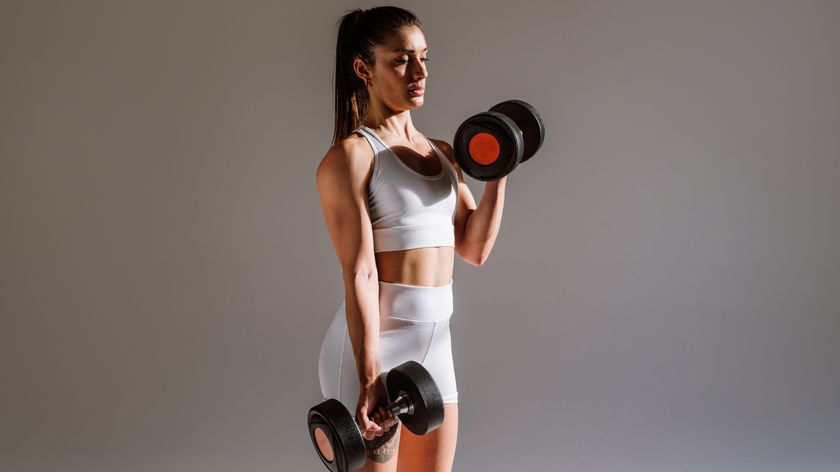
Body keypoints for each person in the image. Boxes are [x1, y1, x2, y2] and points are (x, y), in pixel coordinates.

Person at [315, 6, 506, 471]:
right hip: (373, 349)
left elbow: (474, 249)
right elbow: (360, 272)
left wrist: (500, 170)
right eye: (401, 60)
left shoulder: (442, 154)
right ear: (364, 69)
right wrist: (367, 377)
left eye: (424, 58)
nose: (419, 72)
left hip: (435, 349)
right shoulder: (352, 158)